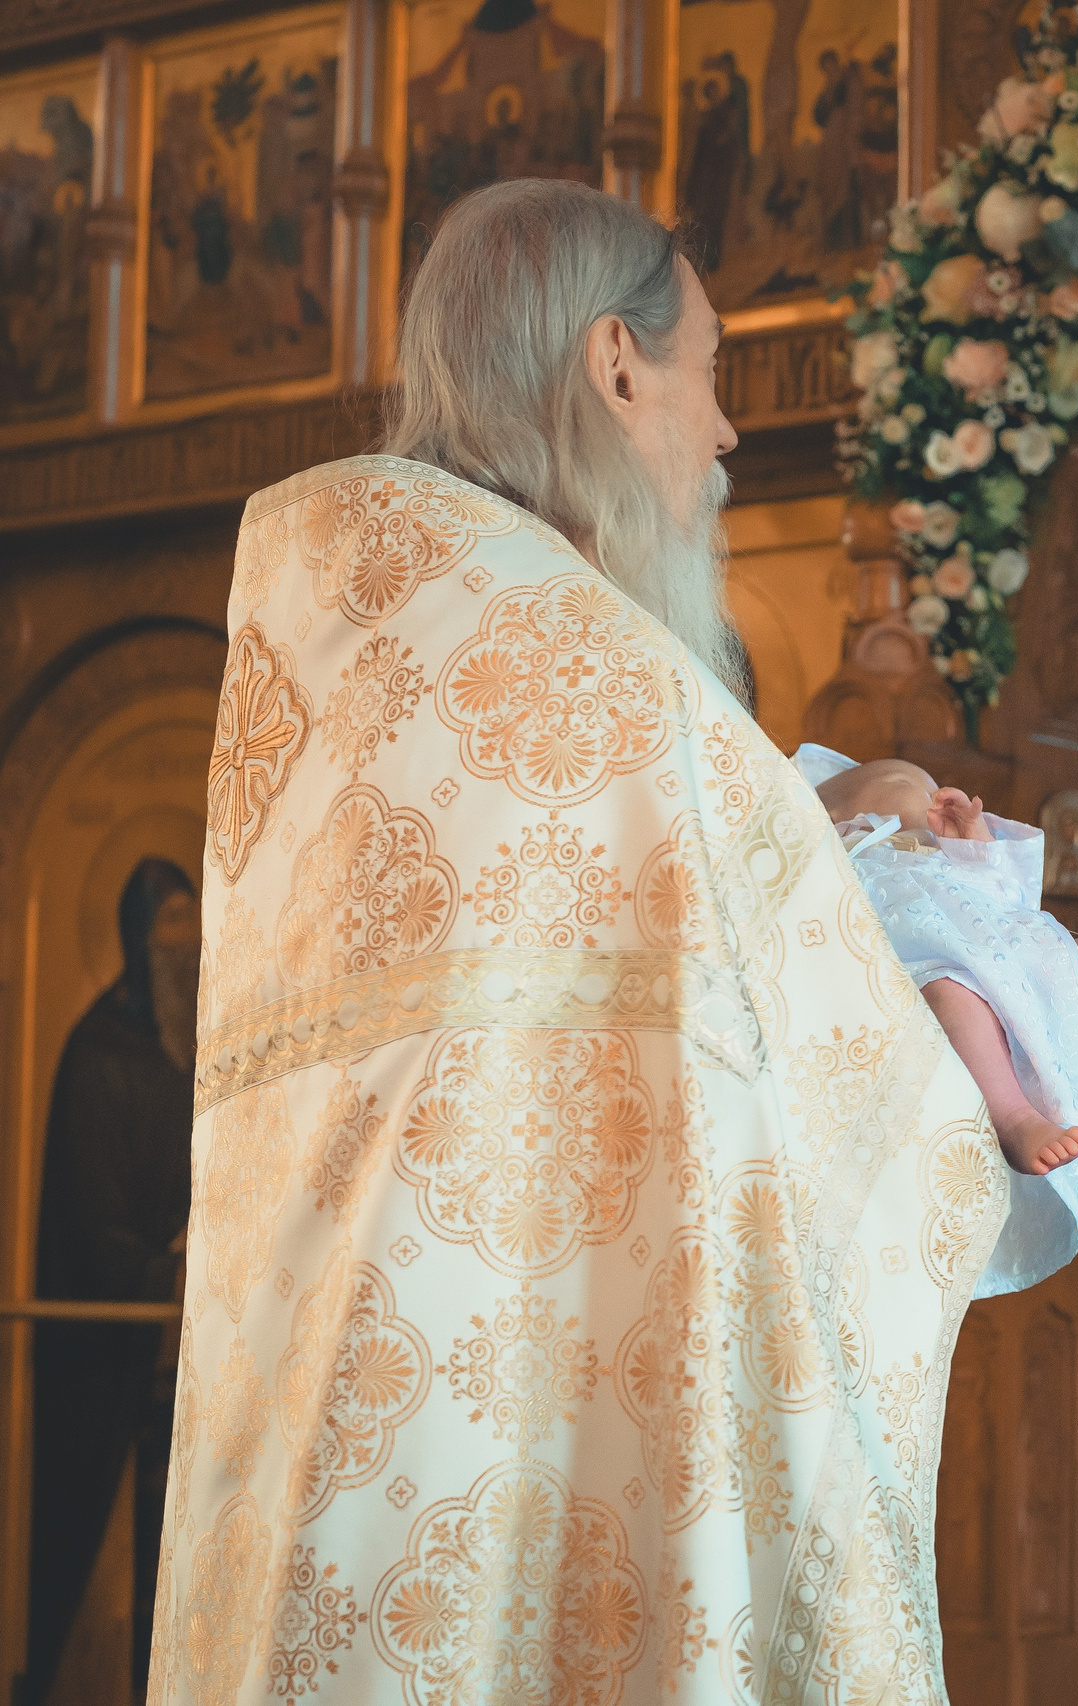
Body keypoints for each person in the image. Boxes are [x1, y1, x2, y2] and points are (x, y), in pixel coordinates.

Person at [164, 178, 1012, 1705]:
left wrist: (822, 811)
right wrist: (1011, 1028)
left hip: (318, 1446)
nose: (732, 433)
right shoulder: (597, 665)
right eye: (716, 374)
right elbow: (810, 1049)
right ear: (618, 367)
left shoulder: (346, 637)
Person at [801, 751, 1078, 1301]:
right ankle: (1014, 1118)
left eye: (922, 783)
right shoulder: (845, 856)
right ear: (834, 814)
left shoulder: (952, 850)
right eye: (888, 787)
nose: (919, 794)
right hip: (942, 967)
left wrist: (973, 845)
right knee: (954, 993)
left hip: (1019, 960)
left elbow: (1016, 898)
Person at [23, 859, 195, 1706]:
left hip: (181, 1355)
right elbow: (91, 1218)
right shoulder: (99, 1052)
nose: (184, 947)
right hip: (110, 1350)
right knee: (104, 1573)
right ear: (134, 937)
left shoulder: (201, 1049)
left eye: (192, 927)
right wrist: (168, 1267)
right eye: (167, 928)